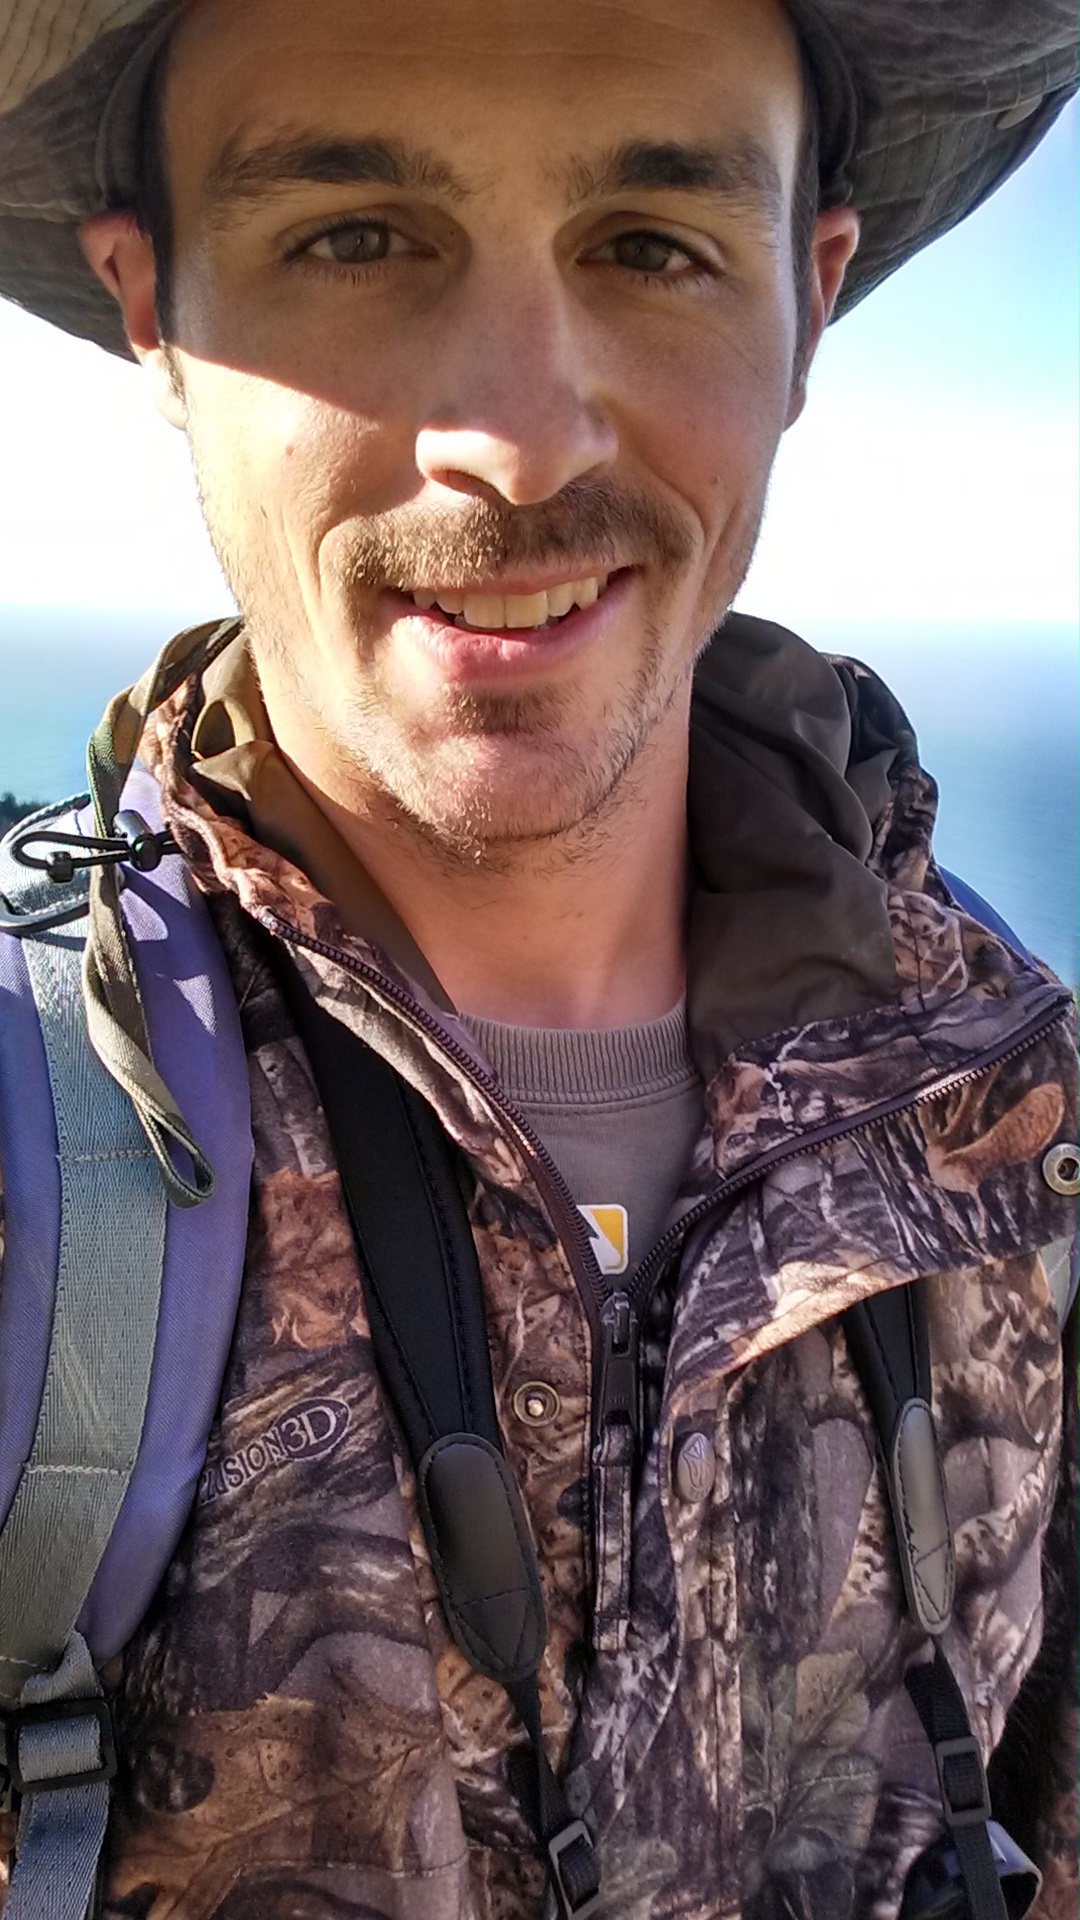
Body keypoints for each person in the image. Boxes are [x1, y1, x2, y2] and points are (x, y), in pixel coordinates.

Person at [0, 0, 1079, 1915]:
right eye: (355, 238)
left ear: (808, 302)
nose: (513, 441)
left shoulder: (1004, 1111)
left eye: (651, 246)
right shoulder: (37, 1166)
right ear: (151, 309)